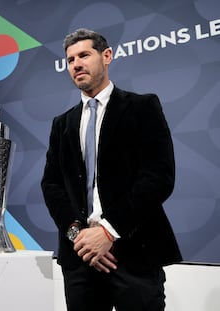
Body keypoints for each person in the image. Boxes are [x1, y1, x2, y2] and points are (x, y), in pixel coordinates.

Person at [41, 28, 182, 311]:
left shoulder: (142, 107)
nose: (76, 64)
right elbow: (51, 185)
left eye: (84, 55)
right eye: (70, 60)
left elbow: (159, 177)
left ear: (107, 56)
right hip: (80, 258)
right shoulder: (62, 123)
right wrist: (79, 237)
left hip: (134, 254)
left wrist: (107, 231)